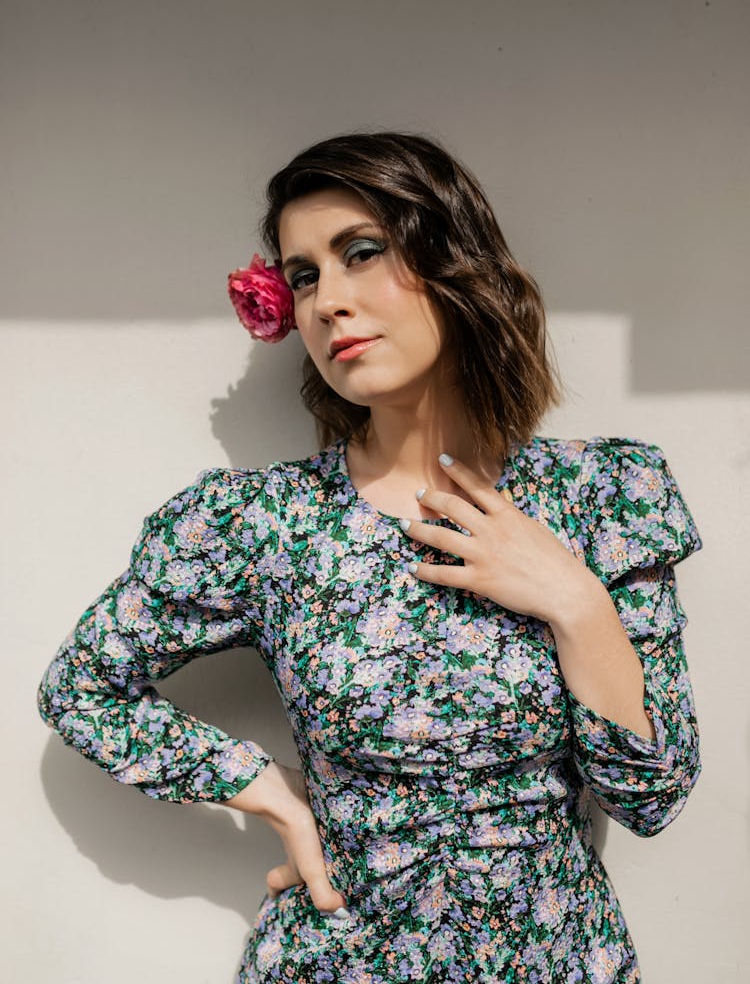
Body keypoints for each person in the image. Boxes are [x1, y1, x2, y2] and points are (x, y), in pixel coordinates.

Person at [37, 130, 703, 983]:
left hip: (553, 959)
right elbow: (79, 687)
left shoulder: (607, 494)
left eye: (361, 253)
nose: (326, 302)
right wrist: (269, 788)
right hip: (337, 956)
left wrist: (572, 598)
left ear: (453, 261)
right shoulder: (265, 520)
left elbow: (652, 796)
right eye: (304, 275)